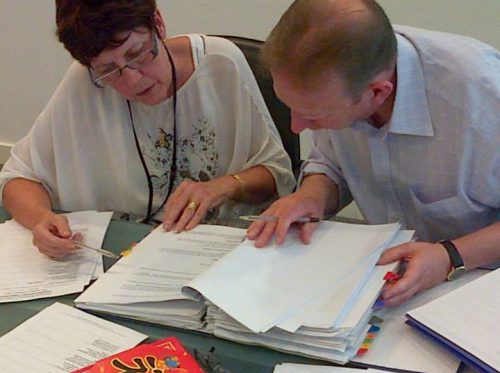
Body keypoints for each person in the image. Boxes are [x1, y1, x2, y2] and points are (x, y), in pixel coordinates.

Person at [247, 0, 500, 306]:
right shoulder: (333, 75)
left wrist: (451, 256)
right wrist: (312, 196)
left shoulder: (482, 95)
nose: (297, 127)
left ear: (378, 92)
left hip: (479, 285)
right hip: (383, 278)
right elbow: (331, 164)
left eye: (312, 116)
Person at [0, 0, 295, 259]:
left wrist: (223, 186)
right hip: (126, 254)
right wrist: (41, 220)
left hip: (217, 252)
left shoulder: (219, 64)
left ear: (158, 24)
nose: (132, 81)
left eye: (137, 54)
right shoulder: (86, 82)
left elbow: (277, 173)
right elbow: (17, 178)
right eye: (108, 70)